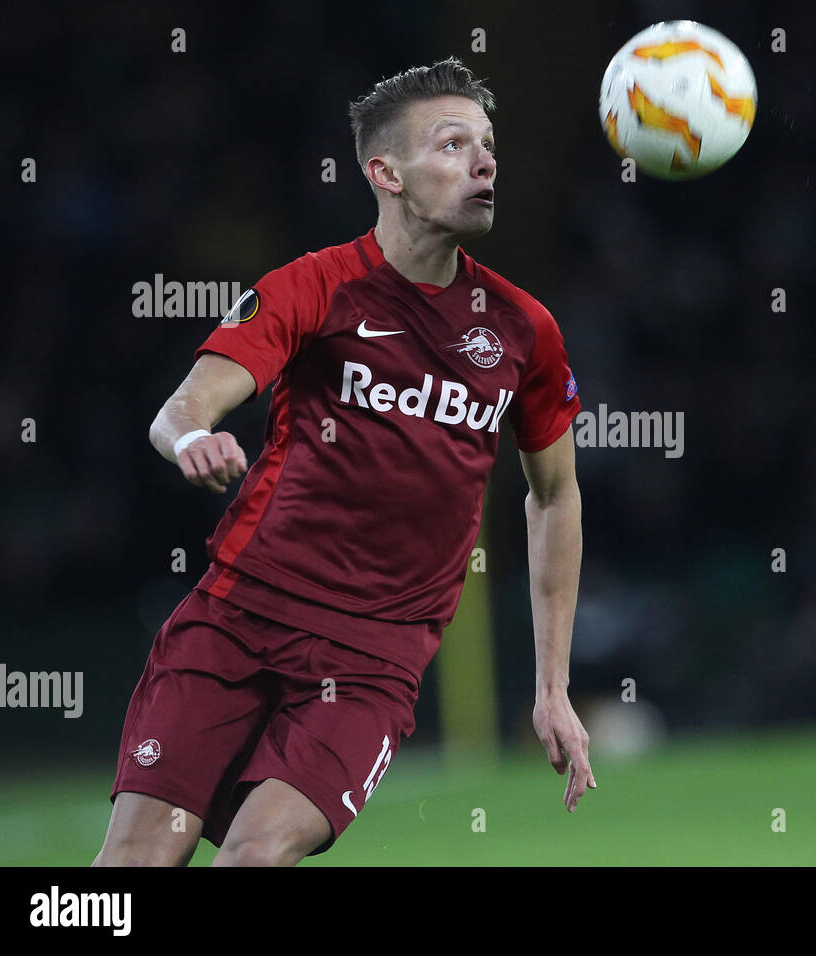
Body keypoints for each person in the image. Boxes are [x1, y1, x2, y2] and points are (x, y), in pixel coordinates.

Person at [94, 57, 594, 866]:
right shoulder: (314, 287)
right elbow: (184, 406)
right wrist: (193, 438)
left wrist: (551, 688)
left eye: (489, 145)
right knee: (132, 867)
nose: (485, 161)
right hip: (237, 620)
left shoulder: (523, 330)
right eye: (453, 144)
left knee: (255, 855)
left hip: (374, 659)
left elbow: (555, 497)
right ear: (384, 172)